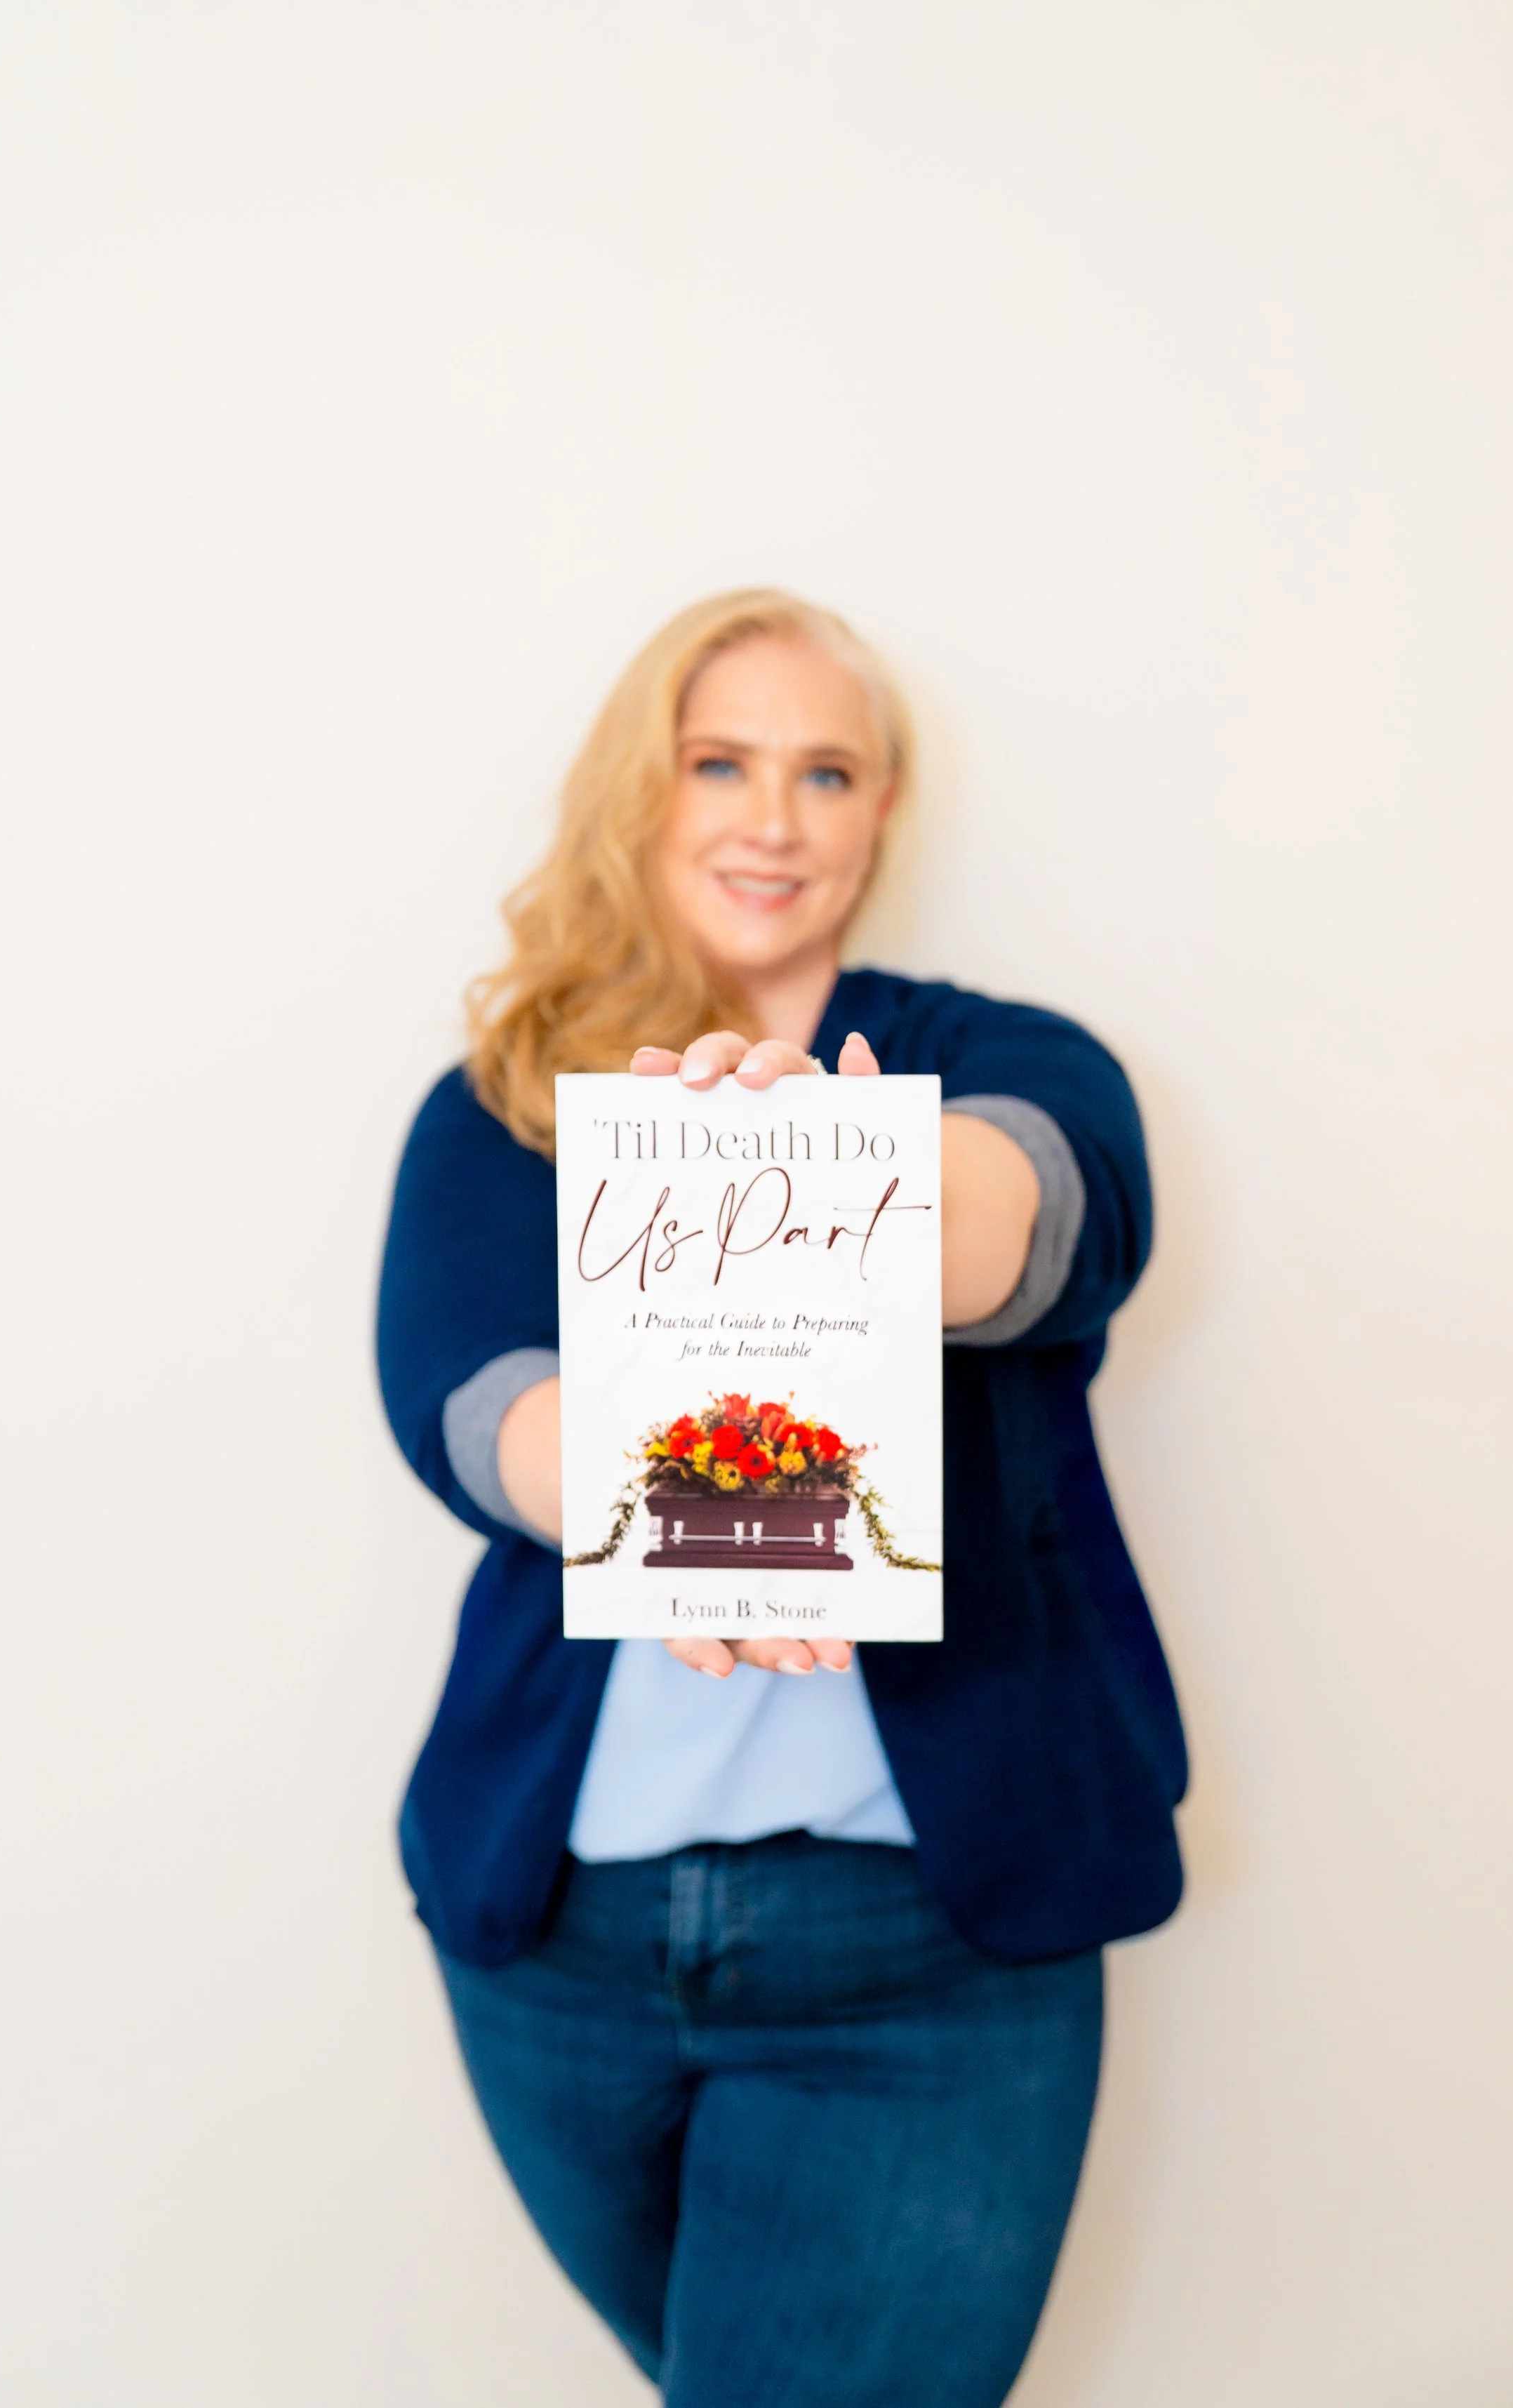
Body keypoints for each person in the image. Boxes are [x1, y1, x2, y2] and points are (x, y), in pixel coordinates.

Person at [377, 589, 1187, 2408]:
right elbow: (463, 1400)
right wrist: (648, 1488)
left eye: (827, 771)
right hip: (555, 1945)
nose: (772, 816)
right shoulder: (501, 1103)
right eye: (719, 762)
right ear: (636, 797)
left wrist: (827, 1178)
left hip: (928, 1950)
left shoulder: (1008, 1058)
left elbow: (1044, 1216)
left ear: (881, 813)